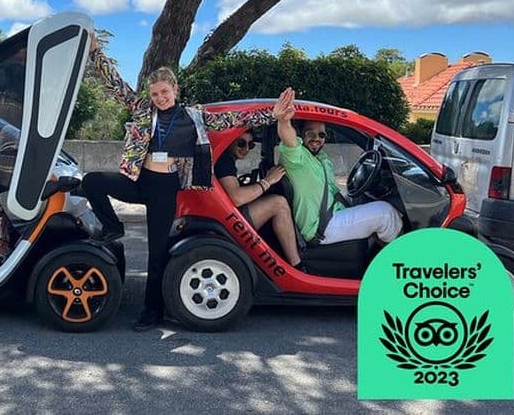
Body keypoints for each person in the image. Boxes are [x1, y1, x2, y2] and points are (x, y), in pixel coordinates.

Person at [82, 36, 294, 331]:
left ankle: (151, 312)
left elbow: (233, 119)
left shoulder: (193, 116)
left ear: (175, 90)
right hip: (139, 180)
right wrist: (95, 52)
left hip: (165, 188)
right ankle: (113, 226)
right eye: (155, 93)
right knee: (92, 181)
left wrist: (271, 114)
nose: (160, 98)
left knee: (157, 254)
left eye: (164, 92)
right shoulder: (143, 109)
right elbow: (115, 86)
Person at [275, 89, 402, 246]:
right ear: (300, 135)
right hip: (321, 227)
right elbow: (288, 138)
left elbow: (334, 192)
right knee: (386, 213)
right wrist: (283, 121)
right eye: (310, 134)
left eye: (321, 135)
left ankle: (377, 249)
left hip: (333, 213)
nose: (317, 139)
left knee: (362, 200)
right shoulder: (297, 158)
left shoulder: (321, 159)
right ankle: (401, 259)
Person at [214, 130, 307, 272]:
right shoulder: (224, 160)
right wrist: (268, 180)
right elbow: (237, 198)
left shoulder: (227, 160)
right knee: (279, 203)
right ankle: (297, 266)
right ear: (230, 141)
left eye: (250, 145)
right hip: (227, 220)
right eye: (241, 143)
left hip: (225, 214)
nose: (245, 149)